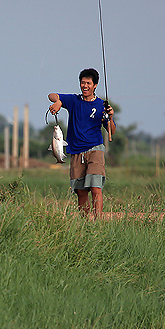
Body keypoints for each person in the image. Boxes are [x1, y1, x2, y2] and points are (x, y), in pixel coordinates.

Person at [47, 68, 115, 218]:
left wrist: (110, 117)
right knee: (81, 191)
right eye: (82, 83)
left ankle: (98, 222)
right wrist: (58, 102)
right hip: (76, 151)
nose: (85, 86)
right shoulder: (73, 100)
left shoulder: (101, 105)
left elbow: (112, 131)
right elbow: (51, 95)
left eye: (88, 83)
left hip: (95, 149)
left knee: (95, 187)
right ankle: (85, 224)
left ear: (95, 85)